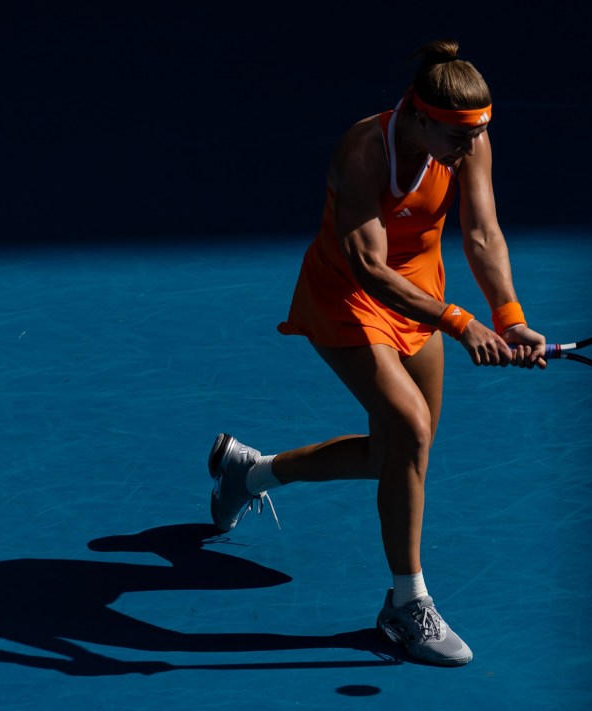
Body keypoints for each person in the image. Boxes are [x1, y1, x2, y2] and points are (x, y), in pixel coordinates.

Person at [207, 39, 546, 667]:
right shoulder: (363, 150)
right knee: (411, 432)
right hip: (348, 301)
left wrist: (509, 316)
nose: (469, 149)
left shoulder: (467, 141)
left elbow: (481, 231)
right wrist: (462, 324)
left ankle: (249, 472)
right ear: (418, 117)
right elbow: (366, 265)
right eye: (457, 136)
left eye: (479, 135)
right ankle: (405, 604)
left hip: (420, 300)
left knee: (396, 457)